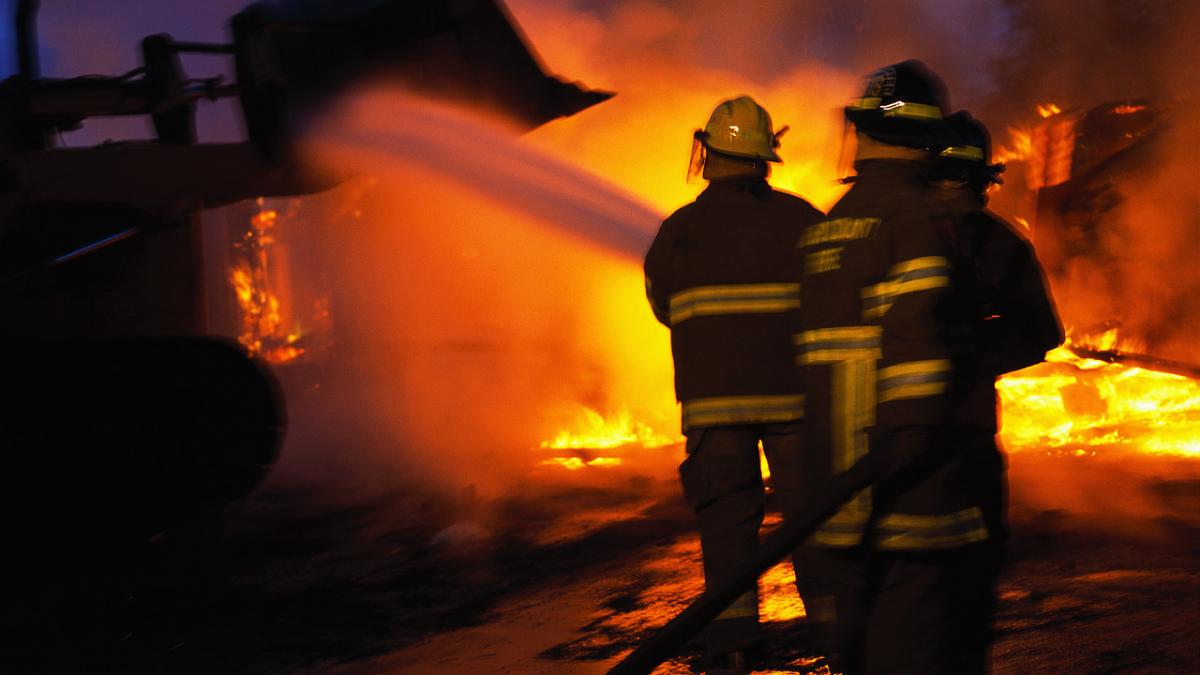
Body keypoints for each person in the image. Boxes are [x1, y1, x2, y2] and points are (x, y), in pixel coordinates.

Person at [794, 61, 1058, 674]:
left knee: (873, 640)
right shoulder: (927, 228)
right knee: (937, 637)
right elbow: (921, 341)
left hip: (846, 485)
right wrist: (961, 369)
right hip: (931, 479)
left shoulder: (830, 229)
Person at [644, 96, 825, 673]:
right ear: (766, 156)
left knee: (726, 525)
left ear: (707, 153)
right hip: (796, 399)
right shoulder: (803, 220)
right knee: (812, 517)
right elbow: (833, 298)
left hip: (712, 405)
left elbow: (665, 309)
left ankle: (734, 646)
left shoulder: (677, 231)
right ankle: (837, 632)